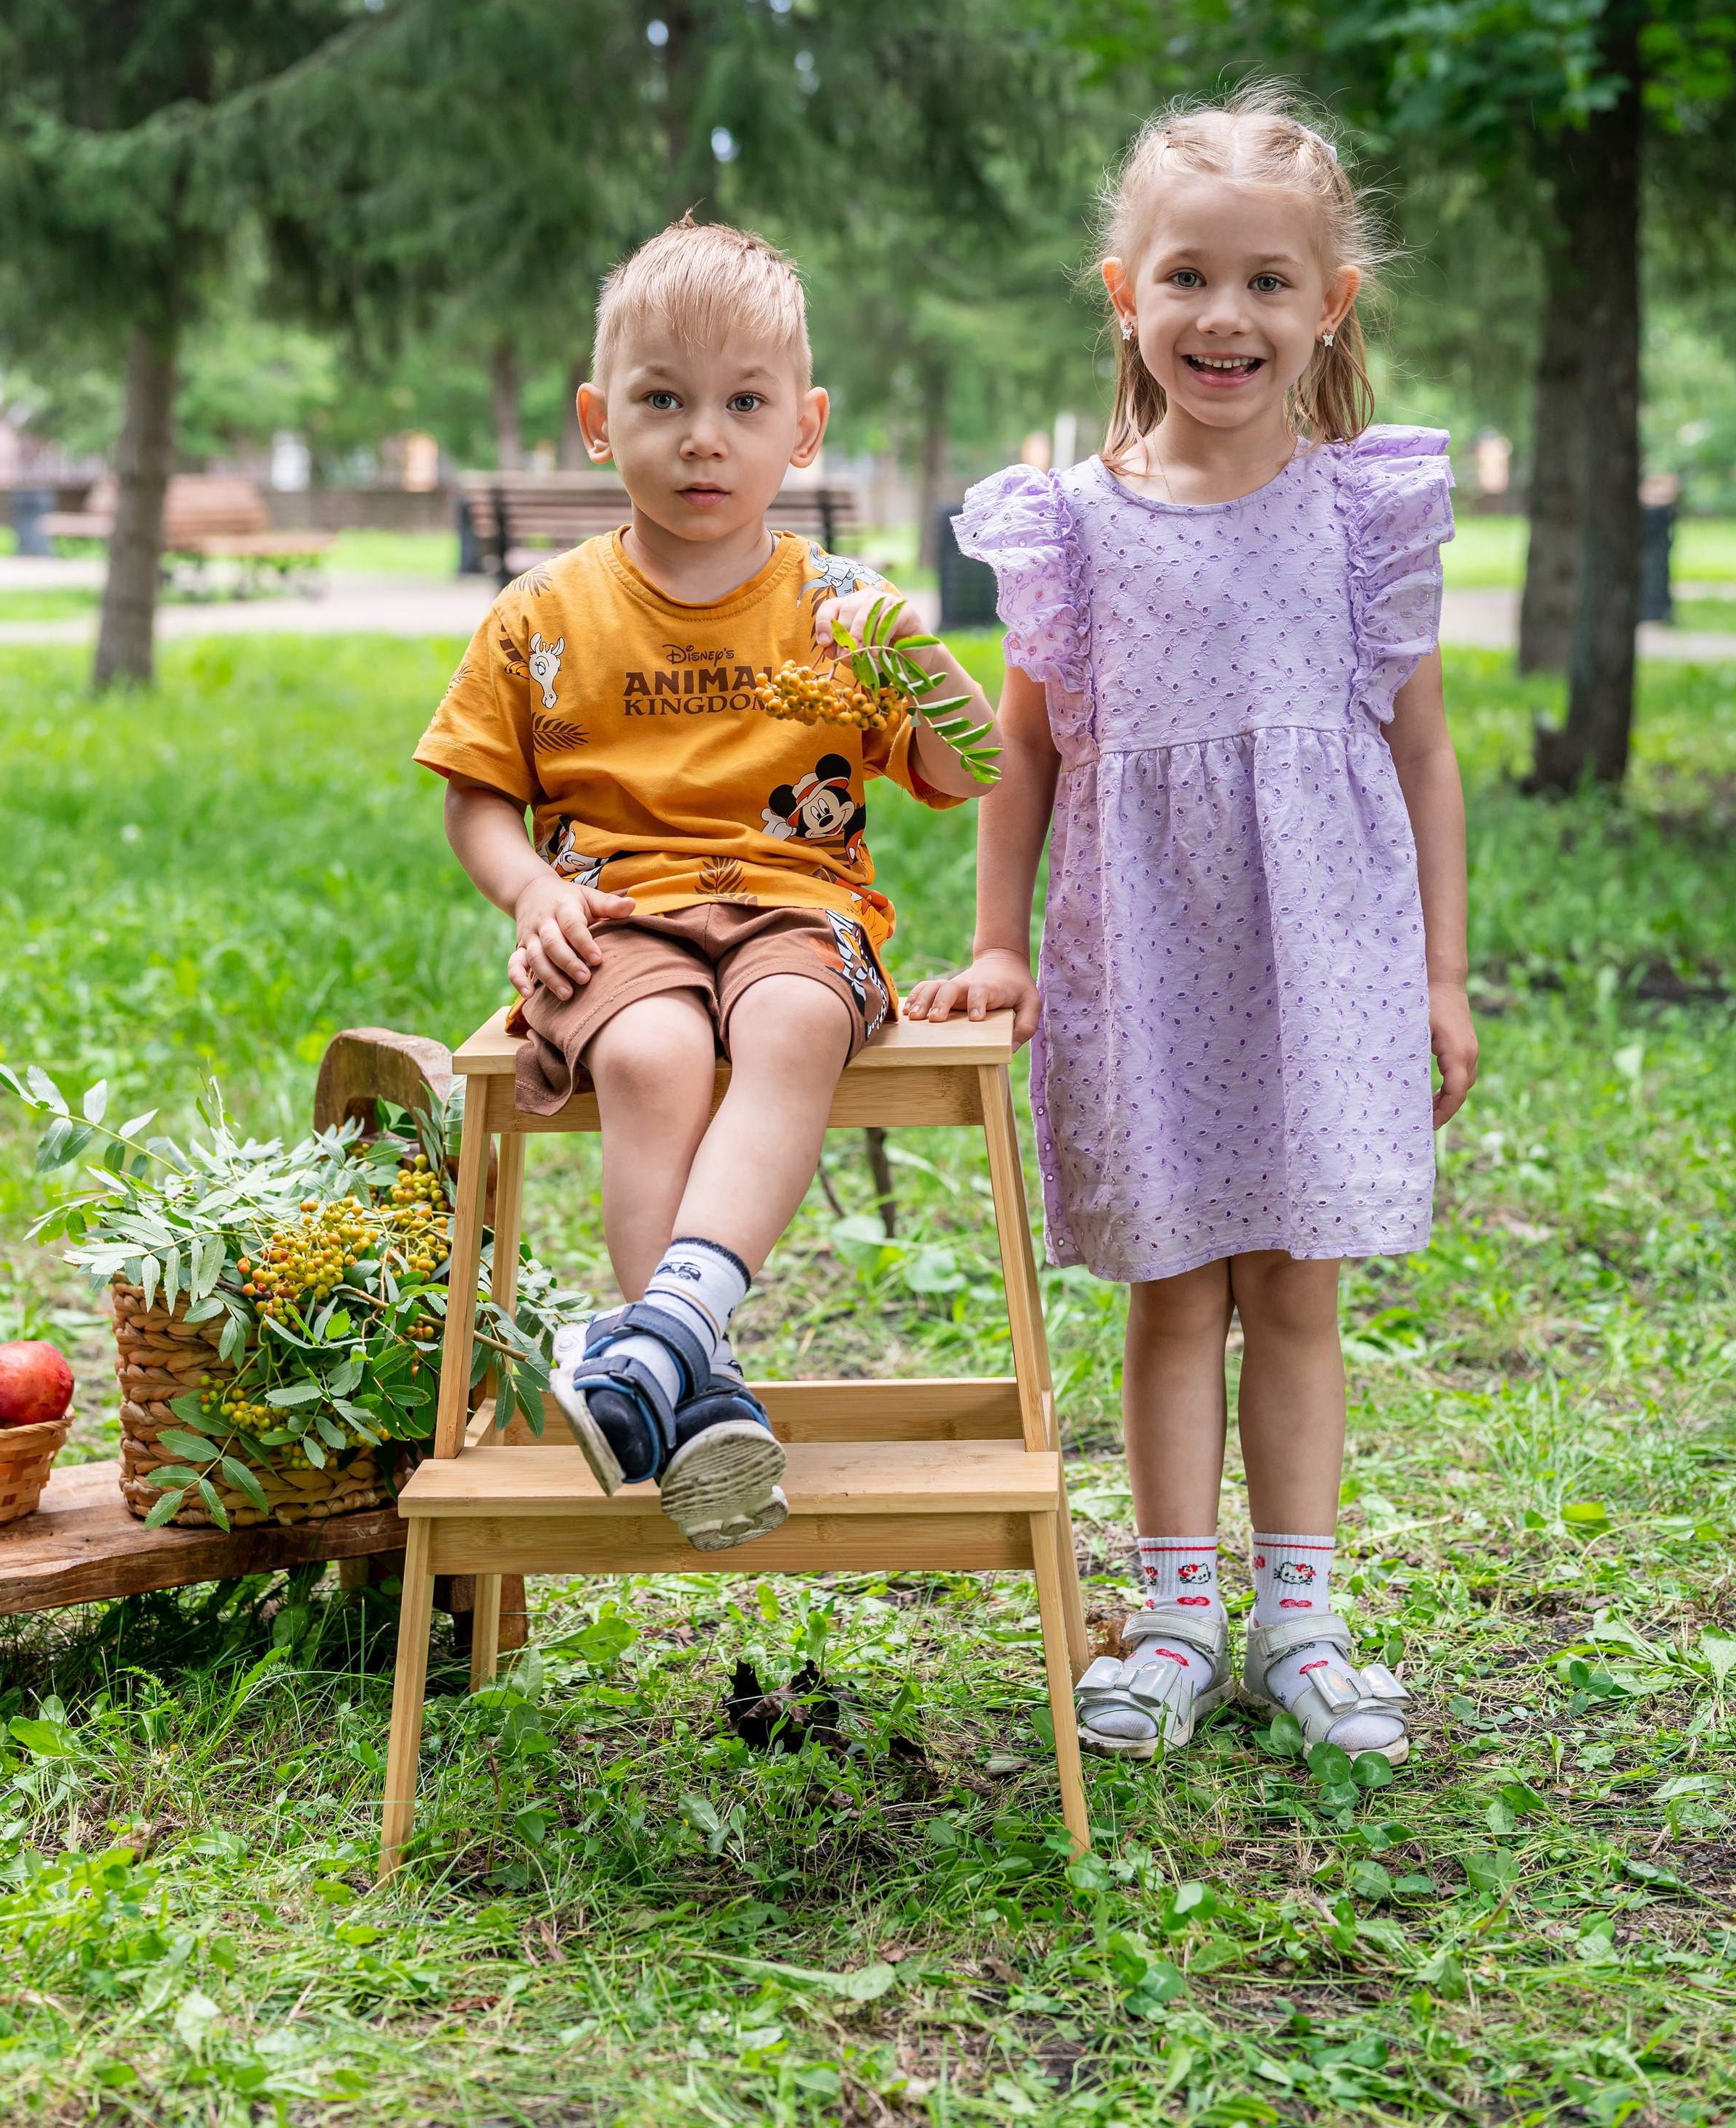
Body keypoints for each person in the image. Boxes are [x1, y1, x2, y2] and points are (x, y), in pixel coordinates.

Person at [906, 88, 1477, 1766]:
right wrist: (997, 943)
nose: (1223, 316)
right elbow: (1022, 753)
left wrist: (1439, 974)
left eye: (1264, 282)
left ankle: (1299, 1620)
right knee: (1167, 1296)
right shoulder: (1072, 529)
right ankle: (1170, 1619)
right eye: (1186, 277)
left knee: (1294, 1297)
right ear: (1122, 293)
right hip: (1145, 967)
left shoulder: (1360, 515)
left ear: (1328, 304)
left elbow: (1421, 755)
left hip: (1321, 967)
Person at [416, 220, 996, 1552]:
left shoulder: (842, 609)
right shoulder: (542, 614)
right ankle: (690, 1383)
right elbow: (477, 796)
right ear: (597, 422)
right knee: (654, 1056)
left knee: (791, 1021)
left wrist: (918, 654)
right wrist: (531, 895)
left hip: (802, 908)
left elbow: (972, 772)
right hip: (617, 914)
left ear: (805, 428)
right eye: (663, 401)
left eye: (744, 405)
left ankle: (659, 1332)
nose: (702, 439)